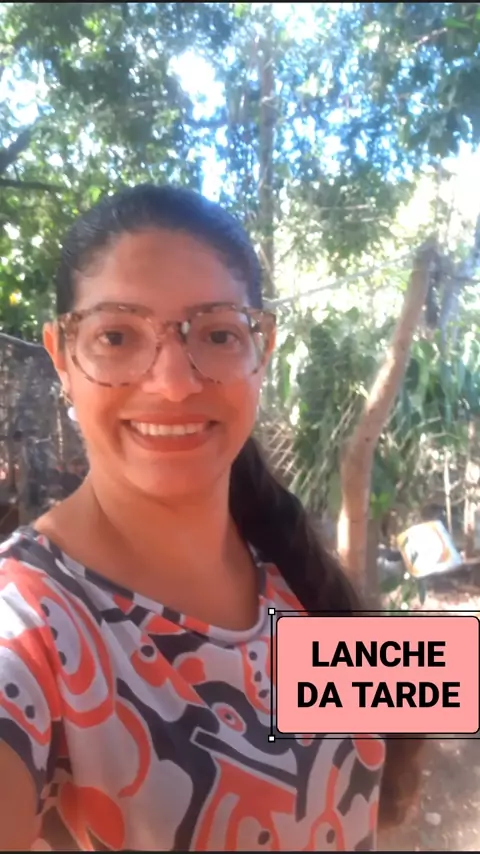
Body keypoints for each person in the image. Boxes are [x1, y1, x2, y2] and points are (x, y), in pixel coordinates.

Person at [0, 185, 422, 851]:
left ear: (262, 348)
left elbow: (411, 705)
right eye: (116, 335)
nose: (173, 382)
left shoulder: (287, 572)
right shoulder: (30, 628)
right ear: (61, 354)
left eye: (218, 333)